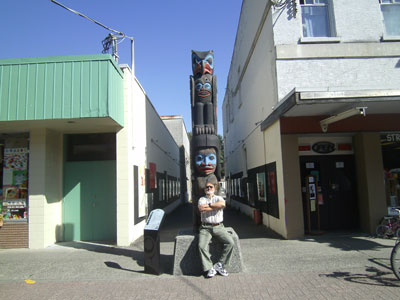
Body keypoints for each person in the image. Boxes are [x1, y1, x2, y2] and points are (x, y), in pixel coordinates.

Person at [198, 181, 234, 278]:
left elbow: (222, 205)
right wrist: (215, 206)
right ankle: (209, 267)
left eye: (210, 187)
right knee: (201, 246)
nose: (209, 188)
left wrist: (209, 206)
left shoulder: (219, 198)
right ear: (204, 189)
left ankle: (220, 264)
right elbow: (202, 208)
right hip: (205, 227)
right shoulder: (201, 199)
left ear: (214, 188)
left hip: (218, 226)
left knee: (230, 242)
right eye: (207, 187)